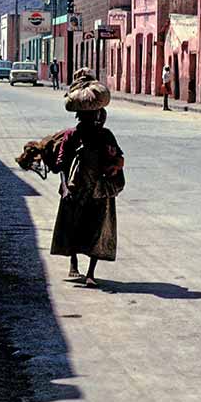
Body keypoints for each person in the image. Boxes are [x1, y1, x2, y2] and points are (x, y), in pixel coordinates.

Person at [50, 108, 124, 287]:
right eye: (85, 117)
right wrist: (66, 188)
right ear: (80, 118)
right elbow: (62, 165)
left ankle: (91, 273)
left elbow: (119, 158)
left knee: (97, 228)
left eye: (93, 117)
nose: (90, 120)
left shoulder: (105, 136)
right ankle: (73, 262)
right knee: (73, 226)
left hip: (99, 190)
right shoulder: (72, 136)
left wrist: (113, 168)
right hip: (76, 189)